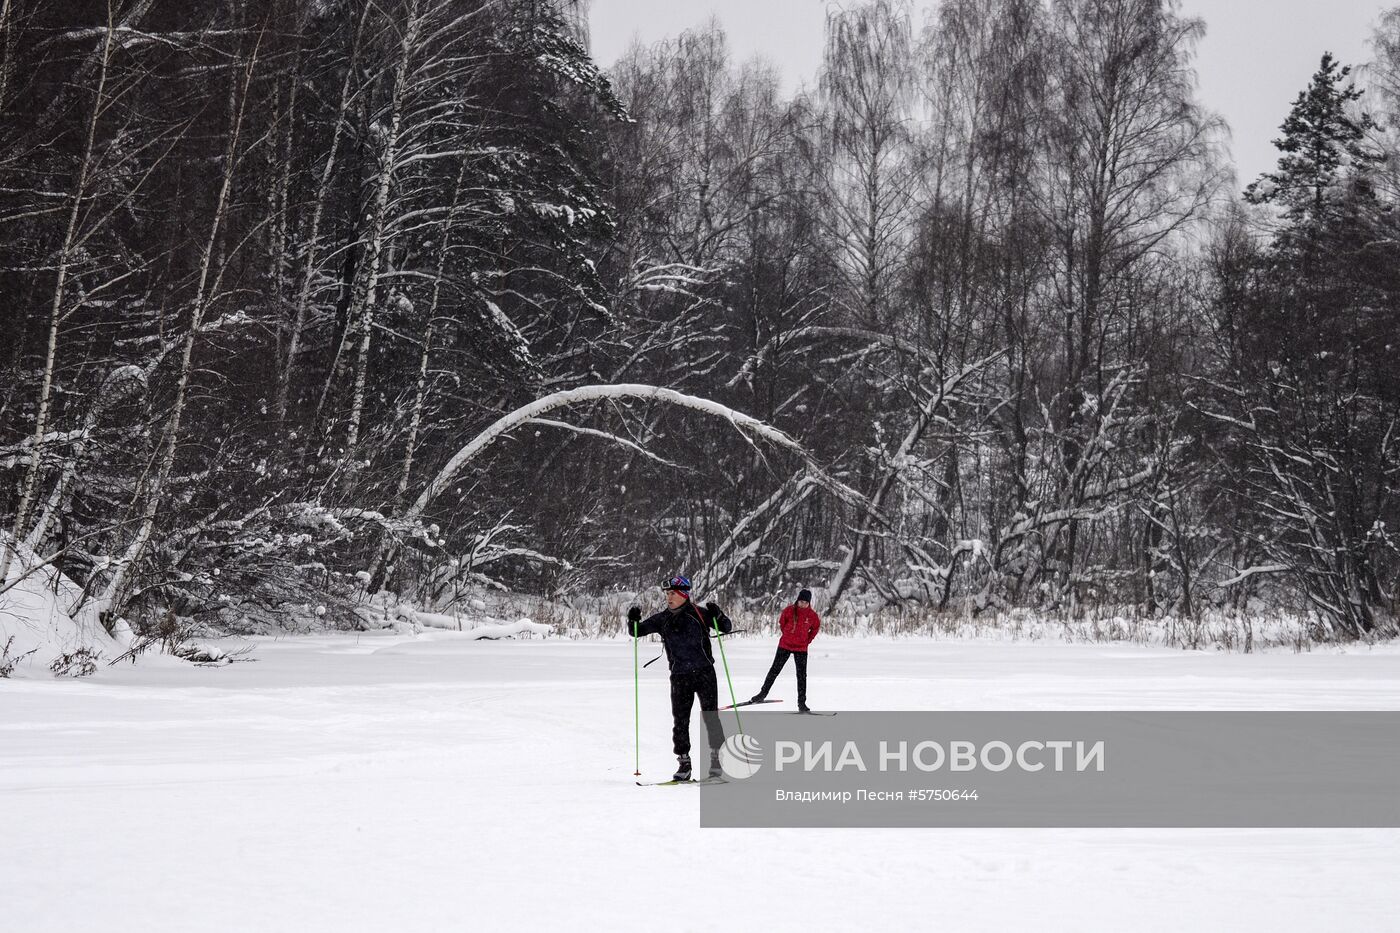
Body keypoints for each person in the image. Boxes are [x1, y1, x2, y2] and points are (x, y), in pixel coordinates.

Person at [626, 574, 734, 781]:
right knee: (680, 721)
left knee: (710, 717)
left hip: (705, 673)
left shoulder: (699, 613)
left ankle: (716, 761)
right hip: (679, 676)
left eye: (673, 593)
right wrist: (633, 620)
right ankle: (684, 763)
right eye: (667, 594)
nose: (669, 597)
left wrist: (719, 615)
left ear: (684, 594)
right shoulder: (662, 618)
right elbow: (637, 632)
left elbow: (726, 627)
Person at [751, 588, 820, 713]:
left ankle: (802, 703)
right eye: (801, 601)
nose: (803, 604)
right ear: (797, 600)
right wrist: (788, 635)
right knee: (774, 670)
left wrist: (807, 640)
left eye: (806, 602)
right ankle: (762, 694)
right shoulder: (789, 610)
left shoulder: (812, 616)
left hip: (801, 648)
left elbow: (815, 629)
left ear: (809, 603)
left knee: (801, 676)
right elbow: (782, 623)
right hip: (785, 645)